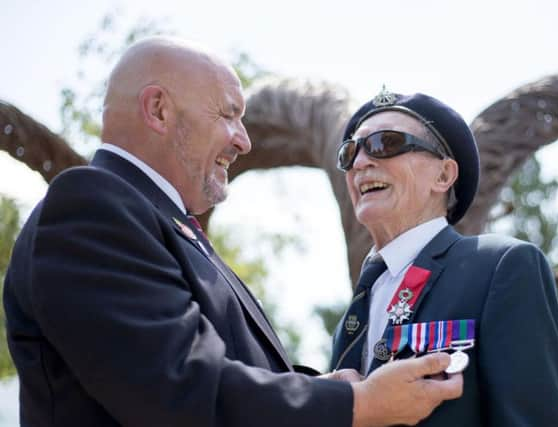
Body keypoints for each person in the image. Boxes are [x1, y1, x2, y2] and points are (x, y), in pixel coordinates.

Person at [3, 38, 463, 426]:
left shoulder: (162, 222)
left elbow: (215, 369)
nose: (243, 140)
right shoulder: (90, 206)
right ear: (159, 110)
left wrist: (313, 388)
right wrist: (358, 405)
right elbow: (178, 388)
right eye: (228, 114)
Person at [330, 88, 558, 426]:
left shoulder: (502, 266)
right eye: (349, 153)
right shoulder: (355, 312)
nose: (360, 163)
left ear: (443, 175)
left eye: (385, 144)